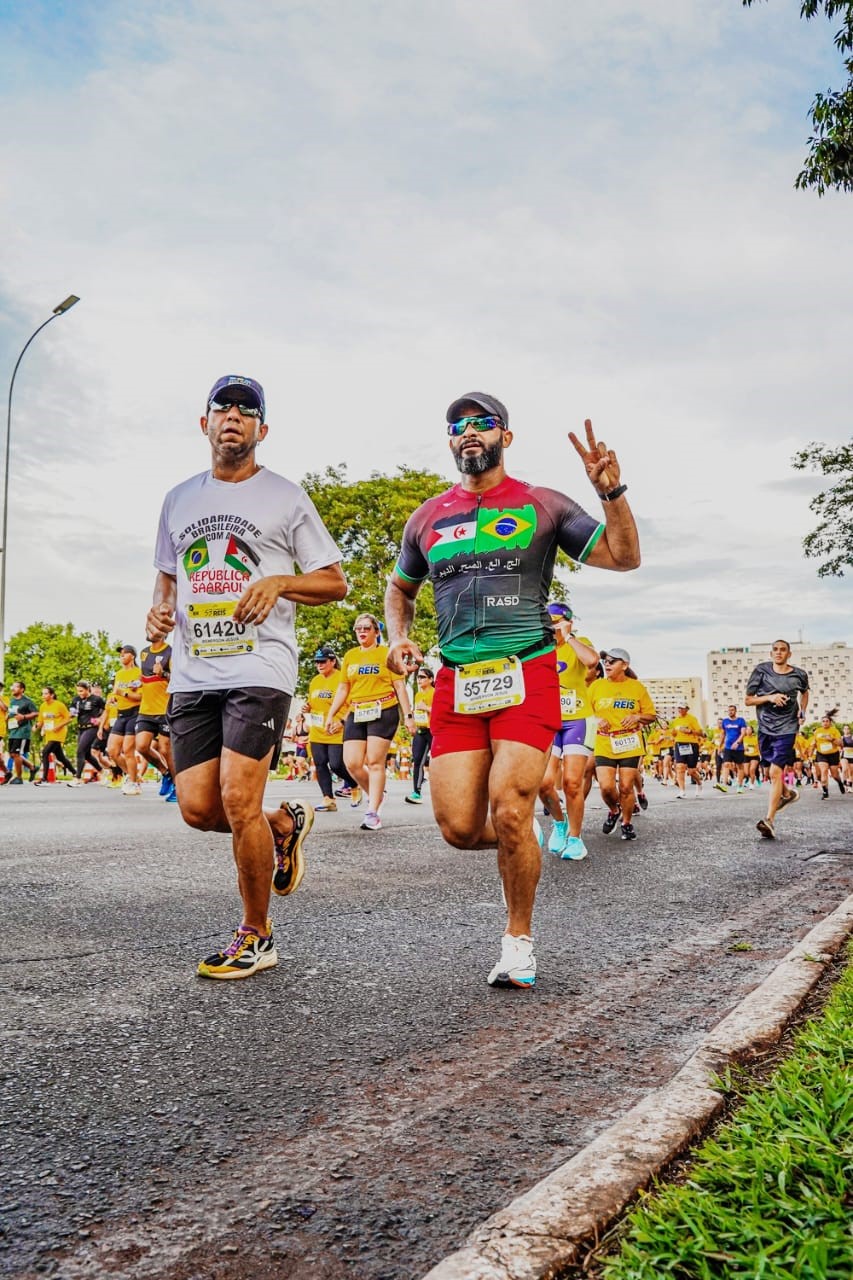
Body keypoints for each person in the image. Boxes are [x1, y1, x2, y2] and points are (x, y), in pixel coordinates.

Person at [385, 397, 640, 988]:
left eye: (483, 423)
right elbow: (400, 589)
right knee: (459, 828)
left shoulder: (542, 504)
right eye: (458, 425)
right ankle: (525, 833)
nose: (469, 432)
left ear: (506, 435)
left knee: (508, 805)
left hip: (527, 671)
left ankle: (518, 940)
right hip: (457, 680)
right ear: (451, 441)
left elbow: (624, 557)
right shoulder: (427, 518)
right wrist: (398, 638)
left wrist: (611, 492)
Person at [147, 373, 347, 979]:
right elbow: (167, 576)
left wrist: (279, 581)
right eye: (223, 407)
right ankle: (283, 825)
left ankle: (256, 935)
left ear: (263, 428)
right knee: (199, 808)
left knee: (238, 799)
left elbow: (334, 582)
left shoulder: (285, 497)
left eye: (246, 409)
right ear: (204, 423)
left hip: (260, 665)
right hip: (193, 671)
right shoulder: (178, 499)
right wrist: (158, 611)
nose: (233, 415)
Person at [326, 613, 413, 830]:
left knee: (375, 761)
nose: (362, 632)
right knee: (352, 763)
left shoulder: (387, 653)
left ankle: (373, 812)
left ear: (376, 631)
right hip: (357, 711)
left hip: (383, 709)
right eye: (358, 628)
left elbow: (400, 686)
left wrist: (408, 716)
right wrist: (331, 714)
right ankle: (377, 794)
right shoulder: (350, 656)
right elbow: (343, 688)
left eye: (366, 628)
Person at [539, 602, 600, 860]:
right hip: (548, 721)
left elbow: (592, 661)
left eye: (554, 621)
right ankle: (560, 822)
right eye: (546, 621)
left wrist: (569, 636)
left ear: (567, 621)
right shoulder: (540, 648)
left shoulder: (579, 643)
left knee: (572, 782)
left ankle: (575, 839)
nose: (550, 626)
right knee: (543, 783)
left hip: (577, 720)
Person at [588, 649, 656, 840]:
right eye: (606, 661)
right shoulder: (596, 686)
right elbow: (584, 712)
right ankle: (614, 809)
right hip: (604, 741)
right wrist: (596, 719)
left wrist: (637, 717)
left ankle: (626, 823)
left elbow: (651, 715)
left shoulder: (636, 687)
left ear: (624, 665)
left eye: (612, 661)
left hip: (629, 742)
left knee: (626, 786)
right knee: (606, 787)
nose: (607, 664)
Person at [745, 639, 810, 839]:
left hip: (788, 728)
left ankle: (769, 820)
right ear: (771, 653)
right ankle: (787, 794)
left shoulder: (799, 674)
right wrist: (770, 697)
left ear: (789, 654)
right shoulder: (761, 671)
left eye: (783, 650)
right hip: (765, 728)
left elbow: (804, 692)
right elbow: (748, 700)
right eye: (775, 649)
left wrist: (802, 711)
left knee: (775, 773)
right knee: (768, 772)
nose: (779, 652)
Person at [304, 647, 357, 811]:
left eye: (323, 661)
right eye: (317, 662)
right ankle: (328, 799)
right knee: (319, 764)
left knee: (336, 764)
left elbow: (353, 704)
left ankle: (355, 784)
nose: (319, 665)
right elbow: (313, 702)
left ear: (333, 661)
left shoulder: (342, 679)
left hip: (335, 729)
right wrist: (307, 707)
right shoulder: (315, 681)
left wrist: (342, 722)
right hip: (318, 730)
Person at [108, 645, 143, 795]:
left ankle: (134, 783)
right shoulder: (119, 674)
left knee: (128, 750)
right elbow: (115, 693)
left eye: (124, 653)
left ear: (132, 656)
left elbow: (140, 697)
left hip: (134, 713)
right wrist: (114, 698)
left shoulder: (139, 673)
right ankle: (132, 775)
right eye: (120, 654)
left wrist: (123, 693)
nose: (121, 656)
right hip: (120, 714)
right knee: (112, 751)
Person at [67, 680, 106, 785]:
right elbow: (72, 712)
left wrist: (100, 719)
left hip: (92, 728)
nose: (79, 693)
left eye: (81, 691)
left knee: (80, 751)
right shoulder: (76, 700)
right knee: (87, 754)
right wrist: (71, 714)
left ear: (88, 689)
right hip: (81, 728)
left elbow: (107, 710)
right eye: (78, 691)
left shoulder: (96, 699)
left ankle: (78, 777)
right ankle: (102, 771)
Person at [32, 687, 75, 783]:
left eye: (46, 694)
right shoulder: (43, 706)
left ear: (52, 695)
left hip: (58, 734)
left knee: (45, 752)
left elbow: (68, 718)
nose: (43, 696)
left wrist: (58, 726)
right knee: (60, 757)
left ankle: (44, 778)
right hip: (49, 734)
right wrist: (36, 726)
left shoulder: (59, 705)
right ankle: (75, 773)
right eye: (42, 694)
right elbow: (40, 721)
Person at [406, 666, 435, 804]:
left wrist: (426, 708)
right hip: (420, 730)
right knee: (417, 760)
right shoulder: (418, 694)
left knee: (438, 761)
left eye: (422, 677)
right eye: (418, 677)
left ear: (431, 679)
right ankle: (416, 792)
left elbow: (440, 710)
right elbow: (418, 711)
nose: (419, 679)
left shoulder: (435, 693)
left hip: (432, 731)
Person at [4, 681, 38, 783]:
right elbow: (11, 713)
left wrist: (24, 717)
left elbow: (36, 713)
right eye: (12, 686)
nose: (13, 688)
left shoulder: (27, 701)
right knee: (12, 754)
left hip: (22, 731)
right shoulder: (12, 701)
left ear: (22, 689)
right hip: (13, 730)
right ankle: (32, 767)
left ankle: (19, 777)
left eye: (16, 687)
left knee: (16, 753)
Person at [669, 702, 704, 799]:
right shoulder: (676, 720)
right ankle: (682, 791)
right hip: (679, 744)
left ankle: (699, 783)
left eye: (682, 708)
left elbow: (700, 732)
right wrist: (673, 732)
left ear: (687, 709)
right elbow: (674, 734)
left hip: (691, 744)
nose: (680, 710)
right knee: (680, 767)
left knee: (691, 771)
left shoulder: (692, 719)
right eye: (679, 708)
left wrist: (690, 731)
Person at [714, 704, 747, 793]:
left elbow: (743, 733)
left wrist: (737, 742)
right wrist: (720, 746)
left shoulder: (741, 720)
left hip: (739, 748)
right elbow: (723, 734)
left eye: (732, 710)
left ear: (735, 711)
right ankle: (724, 785)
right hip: (728, 747)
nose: (730, 712)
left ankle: (740, 786)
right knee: (726, 764)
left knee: (740, 766)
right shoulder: (725, 721)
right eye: (729, 710)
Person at [812, 712, 845, 800]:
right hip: (821, 754)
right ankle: (825, 792)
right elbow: (814, 743)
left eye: (827, 721)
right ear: (821, 723)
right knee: (824, 771)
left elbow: (841, 743)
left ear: (830, 722)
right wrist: (811, 750)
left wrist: (832, 739)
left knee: (835, 775)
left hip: (833, 754)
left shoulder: (834, 731)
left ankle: (840, 782)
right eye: (823, 721)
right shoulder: (817, 731)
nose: (825, 723)